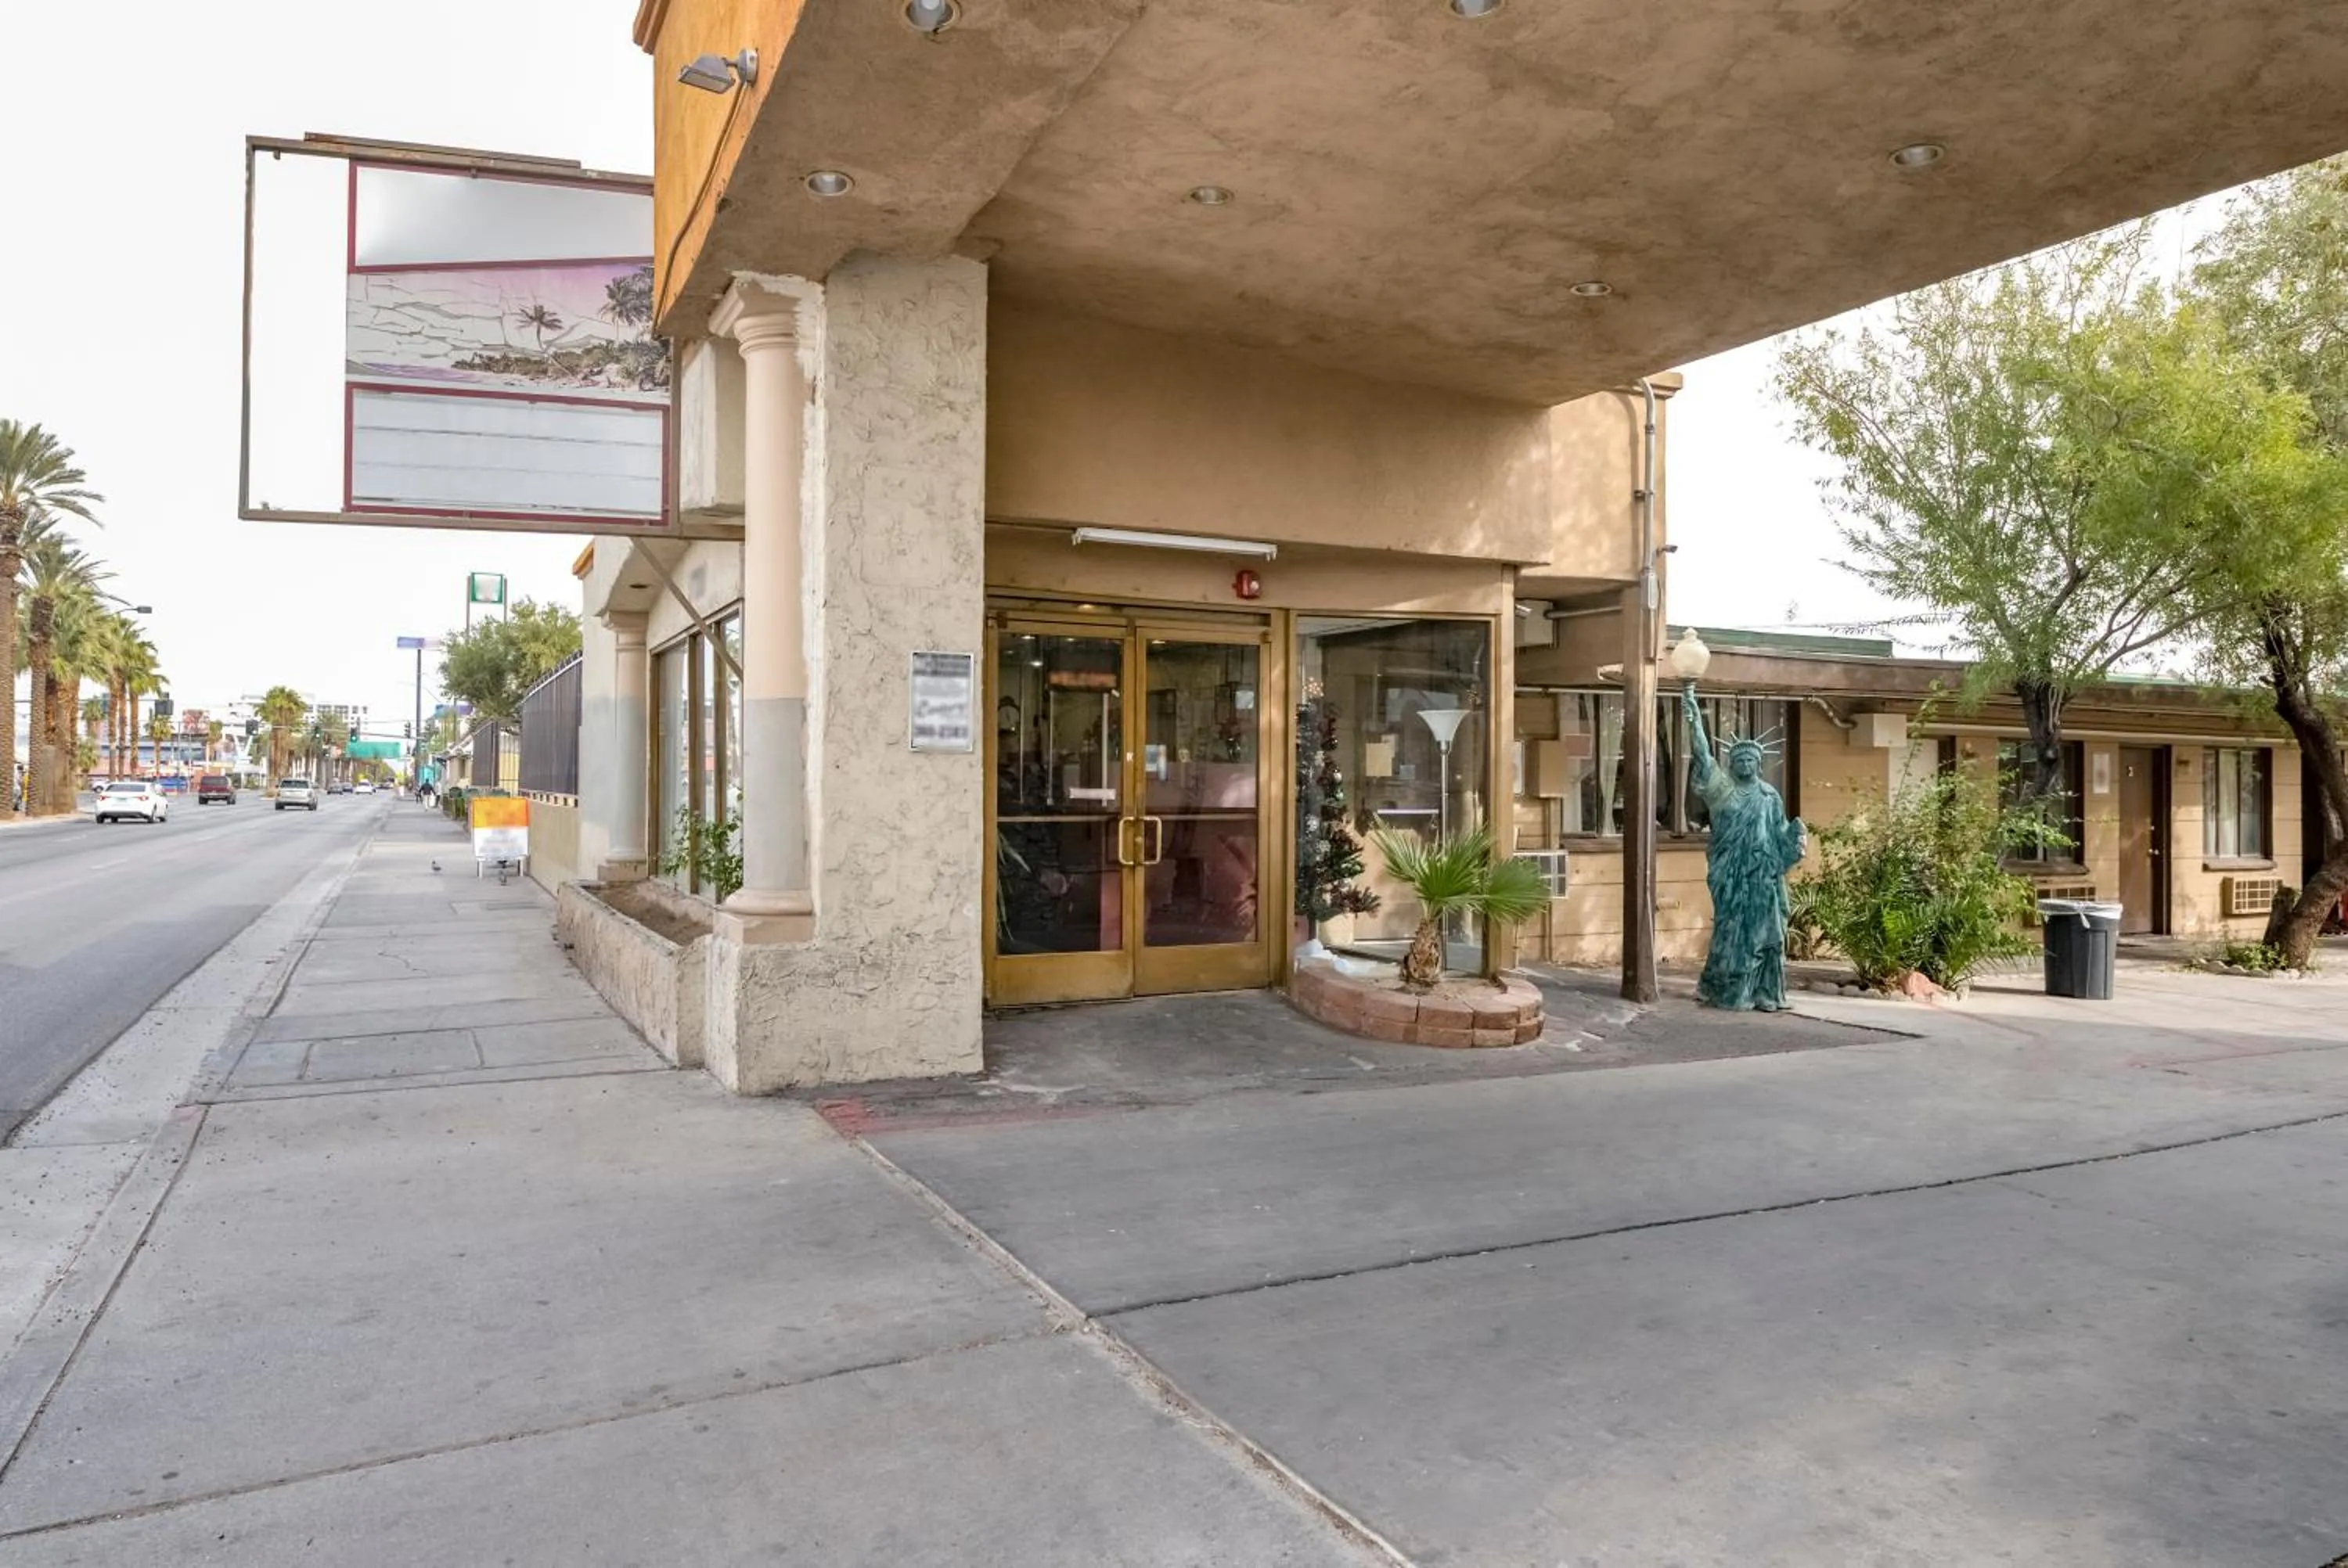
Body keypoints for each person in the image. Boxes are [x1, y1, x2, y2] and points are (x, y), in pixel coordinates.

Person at [1684, 685, 1806, 1011]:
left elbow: (1780, 834)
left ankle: (1766, 992)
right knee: (1733, 932)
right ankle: (1728, 990)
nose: (1746, 764)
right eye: (1740, 759)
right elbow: (1702, 755)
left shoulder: (1769, 796)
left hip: (1763, 876)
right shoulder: (1721, 789)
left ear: (1760, 763)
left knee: (1769, 935)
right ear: (1732, 764)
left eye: (1752, 759)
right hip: (1732, 877)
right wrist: (1694, 715)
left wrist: (1795, 840)